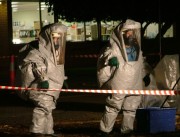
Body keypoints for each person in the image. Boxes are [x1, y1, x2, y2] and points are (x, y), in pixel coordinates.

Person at [97, 19, 150, 136]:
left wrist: (145, 74)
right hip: (119, 82)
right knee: (113, 106)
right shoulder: (114, 48)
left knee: (131, 108)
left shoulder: (137, 48)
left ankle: (127, 130)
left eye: (132, 31)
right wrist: (110, 60)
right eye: (127, 31)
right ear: (121, 33)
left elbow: (141, 64)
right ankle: (105, 130)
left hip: (135, 83)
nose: (129, 34)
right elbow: (105, 56)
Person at [16, 23, 67, 137]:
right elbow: (37, 64)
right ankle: (36, 131)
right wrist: (43, 78)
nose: (58, 39)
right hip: (41, 85)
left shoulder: (56, 53)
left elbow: (57, 69)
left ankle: (48, 131)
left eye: (60, 36)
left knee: (48, 108)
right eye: (55, 36)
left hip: (52, 85)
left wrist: (63, 79)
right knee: (43, 107)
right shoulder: (38, 50)